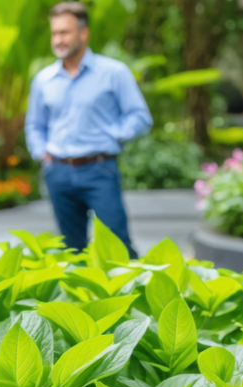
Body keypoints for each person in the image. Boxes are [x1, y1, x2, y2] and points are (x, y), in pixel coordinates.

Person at [25, 1, 153, 258]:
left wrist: (113, 135)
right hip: (58, 173)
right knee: (72, 249)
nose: (58, 40)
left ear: (83, 33)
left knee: (117, 245)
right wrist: (41, 152)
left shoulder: (114, 73)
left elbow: (140, 117)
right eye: (54, 33)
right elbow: (35, 124)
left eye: (65, 32)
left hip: (99, 170)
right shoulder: (43, 80)